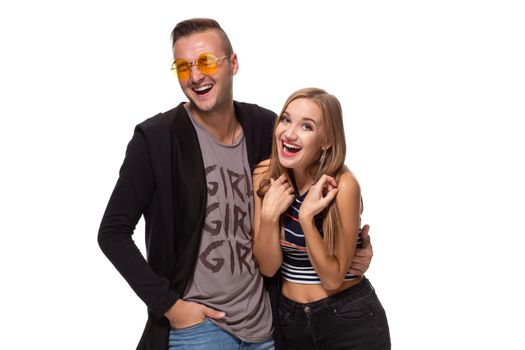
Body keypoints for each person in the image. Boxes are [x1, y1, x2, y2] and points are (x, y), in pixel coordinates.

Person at [98, 18, 374, 350]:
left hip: (267, 328)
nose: (196, 76)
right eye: (183, 67)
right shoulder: (157, 139)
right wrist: (171, 307)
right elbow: (112, 232)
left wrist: (353, 250)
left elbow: (320, 185)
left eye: (205, 62)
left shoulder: (265, 127)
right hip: (198, 330)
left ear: (233, 63)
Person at [252, 87, 390, 349]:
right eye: (286, 119)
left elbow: (332, 278)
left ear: (326, 140)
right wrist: (269, 217)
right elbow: (268, 267)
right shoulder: (263, 176)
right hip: (290, 321)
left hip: (348, 319)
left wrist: (306, 218)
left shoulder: (343, 185)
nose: (289, 133)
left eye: (307, 126)